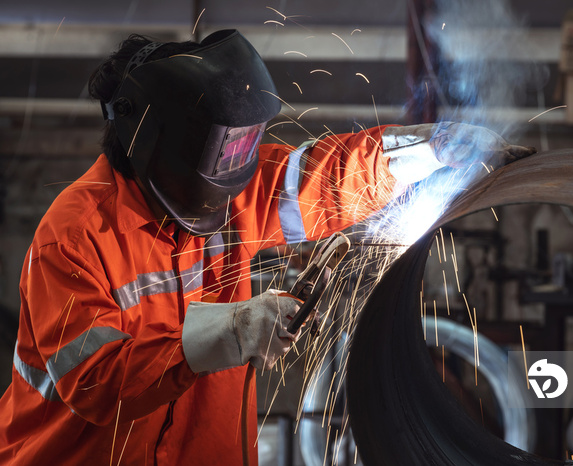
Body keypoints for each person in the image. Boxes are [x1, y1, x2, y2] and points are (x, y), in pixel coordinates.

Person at [0, 29, 534, 465]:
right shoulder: (73, 237)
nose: (239, 163)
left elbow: (329, 177)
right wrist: (228, 331)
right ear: (161, 143)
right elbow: (94, 381)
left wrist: (434, 150)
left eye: (244, 144)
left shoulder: (230, 187)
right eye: (226, 147)